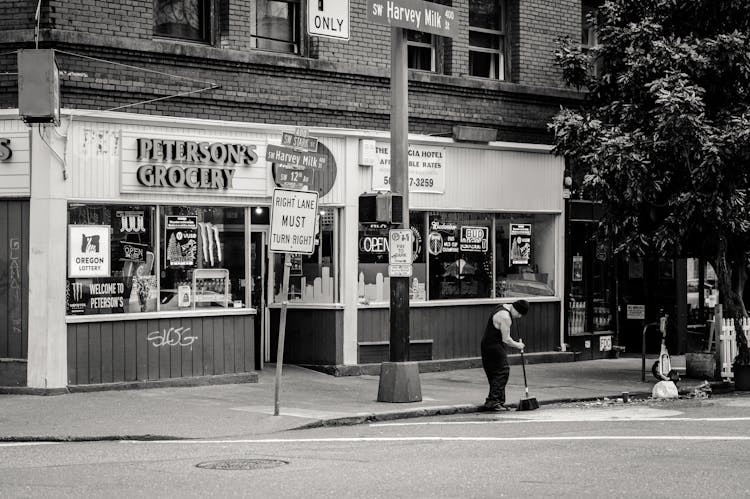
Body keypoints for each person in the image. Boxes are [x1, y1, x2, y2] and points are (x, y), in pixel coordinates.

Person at [480, 299, 528, 411]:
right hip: (493, 346)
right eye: (519, 313)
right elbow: (506, 339)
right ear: (515, 309)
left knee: (494, 373)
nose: (519, 316)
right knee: (503, 371)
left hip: (488, 344)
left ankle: (498, 401)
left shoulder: (502, 306)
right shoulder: (505, 317)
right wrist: (518, 345)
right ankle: (493, 402)